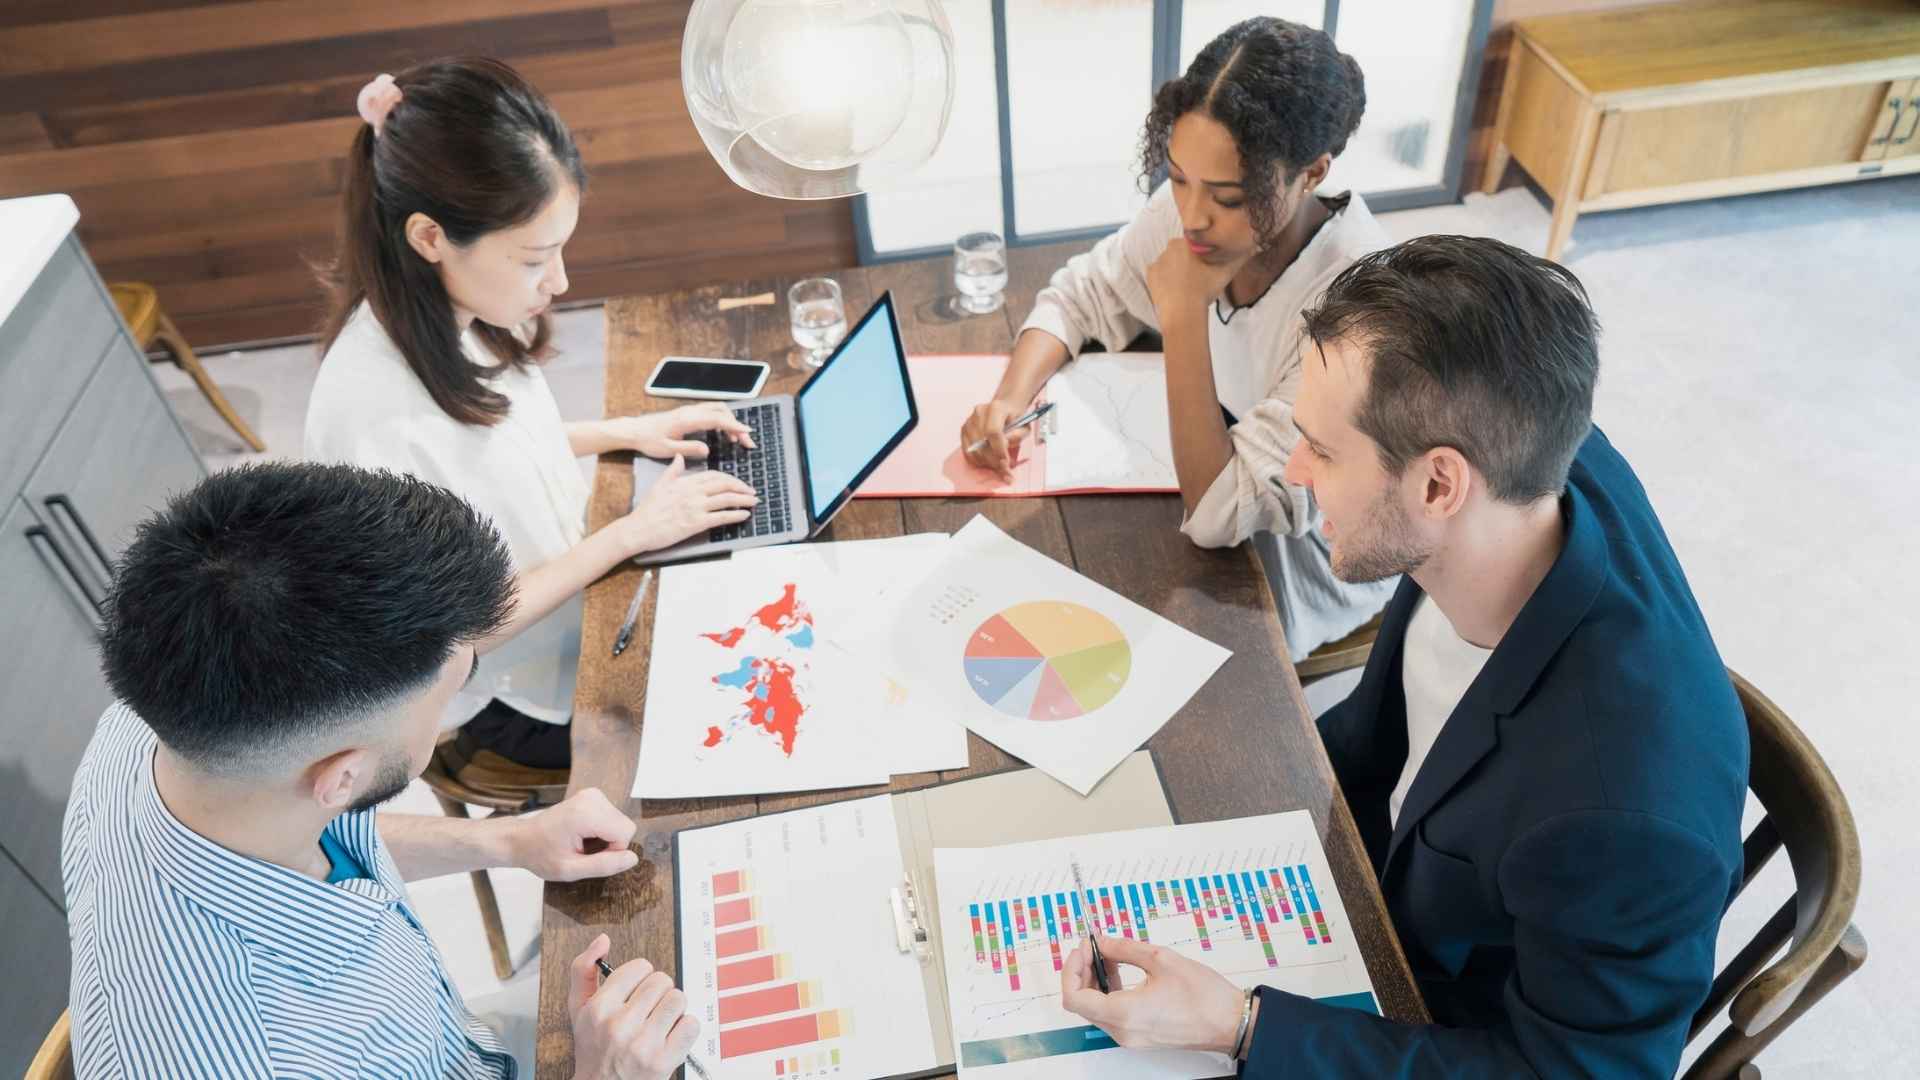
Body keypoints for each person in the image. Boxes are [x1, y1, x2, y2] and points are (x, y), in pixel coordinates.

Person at [1057, 236, 1750, 1077]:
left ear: (1438, 484)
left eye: (1323, 449)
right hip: (1372, 875)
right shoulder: (1514, 475)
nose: (1298, 470)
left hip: (1442, 1019)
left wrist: (1241, 1027)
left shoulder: (1623, 818)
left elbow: (1579, 1073)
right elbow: (1380, 737)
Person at [63, 461, 697, 1079]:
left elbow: (321, 837)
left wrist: (504, 840)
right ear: (343, 778)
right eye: (448, 699)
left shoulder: (150, 728)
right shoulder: (269, 1052)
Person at [305, 59, 758, 768]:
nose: (560, 281)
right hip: (510, 699)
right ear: (429, 237)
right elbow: (446, 643)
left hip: (574, 609)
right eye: (534, 259)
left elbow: (488, 451)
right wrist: (630, 535)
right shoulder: (372, 415)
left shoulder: (462, 306)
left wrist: (628, 431)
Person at [960, 17, 1394, 659]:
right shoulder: (1198, 207)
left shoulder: (1354, 308)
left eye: (1226, 195)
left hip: (1301, 564)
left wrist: (1183, 310)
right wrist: (1011, 398)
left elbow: (1221, 518)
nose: (1191, 214)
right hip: (1209, 462)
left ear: (1312, 172)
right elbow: (1082, 294)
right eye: (1179, 177)